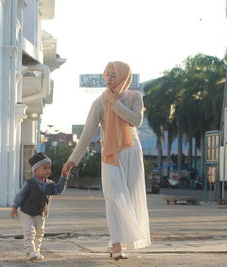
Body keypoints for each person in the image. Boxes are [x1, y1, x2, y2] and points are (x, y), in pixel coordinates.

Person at [62, 61, 151, 260]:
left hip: (131, 151)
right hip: (110, 153)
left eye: (114, 75)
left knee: (128, 196)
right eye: (107, 75)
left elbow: (135, 121)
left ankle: (116, 243)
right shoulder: (99, 102)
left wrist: (116, 104)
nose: (109, 79)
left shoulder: (136, 97)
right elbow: (86, 134)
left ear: (123, 77)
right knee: (114, 197)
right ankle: (118, 245)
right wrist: (71, 161)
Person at [10, 152, 68, 261]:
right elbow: (20, 195)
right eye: (44, 168)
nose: (48, 170)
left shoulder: (50, 184)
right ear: (35, 170)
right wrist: (14, 207)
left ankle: (36, 251)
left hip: (40, 213)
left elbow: (59, 190)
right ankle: (30, 251)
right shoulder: (30, 183)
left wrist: (63, 177)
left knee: (40, 232)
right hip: (27, 212)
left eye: (49, 168)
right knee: (29, 231)